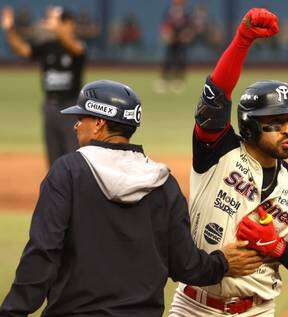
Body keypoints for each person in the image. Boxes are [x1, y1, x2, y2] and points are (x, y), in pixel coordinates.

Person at [0, 80, 263, 317]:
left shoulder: (68, 171)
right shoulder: (163, 183)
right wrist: (222, 262)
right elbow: (186, 266)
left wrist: (13, 311)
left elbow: (43, 252)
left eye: (82, 118)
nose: (76, 125)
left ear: (100, 123)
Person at [168, 8, 288, 316]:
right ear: (251, 126)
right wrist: (243, 39)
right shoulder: (216, 152)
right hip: (193, 307)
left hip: (257, 311)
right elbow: (216, 93)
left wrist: (281, 250)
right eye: (277, 122)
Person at [1, 6, 86, 166]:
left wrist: (57, 29)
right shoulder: (48, 46)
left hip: (71, 108)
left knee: (73, 158)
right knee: (54, 160)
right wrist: (9, 29)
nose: (50, 23)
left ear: (69, 24)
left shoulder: (77, 45)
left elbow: (76, 48)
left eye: (57, 20)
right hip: (50, 107)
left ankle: (75, 190)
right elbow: (22, 49)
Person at [155, 0, 194, 94]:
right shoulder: (169, 10)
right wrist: (166, 34)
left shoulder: (187, 11)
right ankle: (164, 79)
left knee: (181, 58)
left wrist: (187, 34)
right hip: (171, 38)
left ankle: (179, 80)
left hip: (181, 38)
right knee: (168, 58)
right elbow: (165, 24)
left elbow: (189, 25)